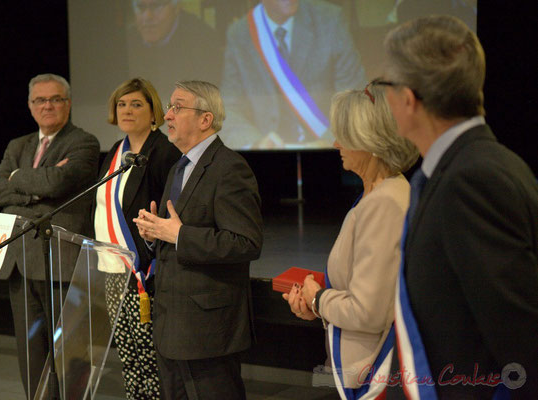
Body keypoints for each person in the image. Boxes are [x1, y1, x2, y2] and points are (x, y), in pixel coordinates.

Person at [379, 15, 538, 398]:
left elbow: (522, 341)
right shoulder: (474, 165)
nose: (384, 97)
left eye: (386, 85)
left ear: (409, 98)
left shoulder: (471, 180)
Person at [283, 84, 418, 398]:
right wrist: (318, 307)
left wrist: (318, 300)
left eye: (344, 135)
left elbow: (368, 313)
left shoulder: (385, 201)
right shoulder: (375, 194)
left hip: (376, 377)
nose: (335, 143)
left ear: (370, 141)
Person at [134, 80, 263, 399]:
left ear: (205, 119)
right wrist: (155, 235)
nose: (167, 116)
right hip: (170, 326)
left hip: (208, 331)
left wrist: (178, 234)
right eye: (169, 108)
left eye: (177, 107)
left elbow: (246, 242)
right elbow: (173, 236)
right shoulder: (178, 168)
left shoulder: (230, 168)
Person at [0, 73, 100, 399]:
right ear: (30, 106)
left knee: (70, 358)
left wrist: (18, 179)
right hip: (20, 263)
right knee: (31, 356)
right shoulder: (18, 145)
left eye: (55, 99)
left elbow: (57, 184)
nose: (47, 106)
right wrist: (34, 189)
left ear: (68, 103)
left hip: (61, 262)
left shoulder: (83, 142)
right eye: (40, 100)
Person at [92, 77, 181, 399]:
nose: (127, 110)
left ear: (154, 110)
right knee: (128, 355)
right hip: (110, 268)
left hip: (143, 273)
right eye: (121, 104)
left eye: (136, 104)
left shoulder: (163, 152)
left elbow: (169, 210)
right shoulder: (118, 151)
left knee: (149, 357)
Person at [220, 0, 366, 149]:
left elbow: (355, 99)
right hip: (269, 157)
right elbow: (229, 110)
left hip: (329, 150)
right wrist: (256, 144)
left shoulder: (330, 20)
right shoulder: (240, 34)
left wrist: (331, 142)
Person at [126, 0, 223, 104]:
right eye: (140, 7)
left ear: (176, 8)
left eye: (156, 6)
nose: (148, 16)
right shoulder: (126, 40)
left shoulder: (203, 39)